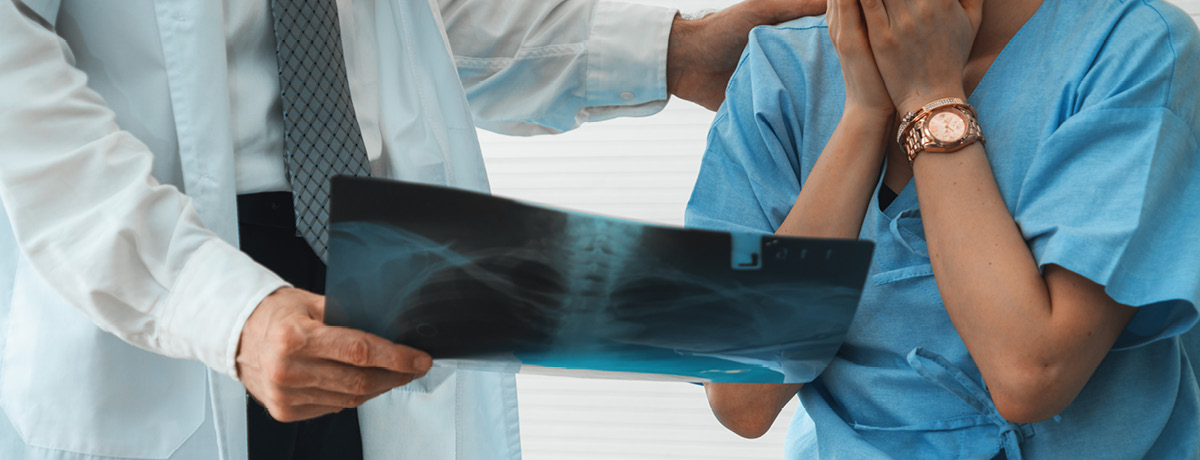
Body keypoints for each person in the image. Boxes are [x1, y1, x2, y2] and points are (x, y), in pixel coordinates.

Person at [0, 0, 827, 459]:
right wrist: (223, 310)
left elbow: (410, 18)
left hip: (383, 245)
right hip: (167, 273)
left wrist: (670, 53)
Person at [686, 0, 1200, 458]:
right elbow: (740, 398)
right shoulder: (777, 67)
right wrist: (865, 114)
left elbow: (1031, 375)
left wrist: (928, 97)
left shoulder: (1133, 44)